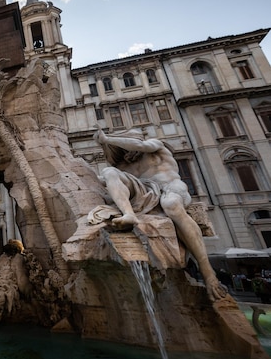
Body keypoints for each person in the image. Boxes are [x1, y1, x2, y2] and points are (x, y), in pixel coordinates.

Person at [94, 127, 226, 301]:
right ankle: (129, 214)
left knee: (170, 204)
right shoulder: (122, 165)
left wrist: (107, 139)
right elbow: (107, 181)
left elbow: (141, 145)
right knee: (108, 172)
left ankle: (207, 271)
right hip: (146, 192)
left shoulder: (155, 145)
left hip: (171, 188)